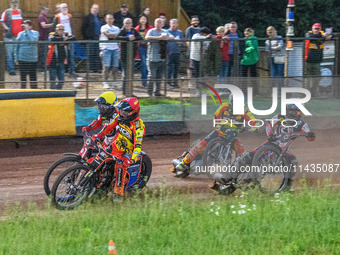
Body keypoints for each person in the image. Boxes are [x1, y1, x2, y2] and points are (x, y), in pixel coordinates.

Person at [174, 93, 257, 177]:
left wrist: (255, 126)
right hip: (218, 132)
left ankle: (241, 172)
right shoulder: (224, 106)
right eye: (234, 101)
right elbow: (215, 116)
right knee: (200, 145)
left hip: (232, 135)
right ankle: (184, 162)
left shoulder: (245, 111)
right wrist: (218, 125)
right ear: (230, 101)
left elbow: (253, 120)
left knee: (241, 151)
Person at [240, 104, 316, 187]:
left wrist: (311, 135)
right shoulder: (280, 116)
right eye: (292, 111)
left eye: (296, 112)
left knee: (293, 162)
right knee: (248, 157)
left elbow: (309, 137)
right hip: (271, 144)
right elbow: (269, 124)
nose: (294, 114)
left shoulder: (302, 124)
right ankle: (230, 176)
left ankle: (287, 186)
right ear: (287, 110)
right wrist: (270, 135)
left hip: (283, 150)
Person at [91, 97, 145, 199]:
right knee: (99, 158)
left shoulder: (138, 127)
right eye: (120, 111)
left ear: (133, 112)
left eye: (124, 112)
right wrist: (99, 135)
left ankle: (118, 194)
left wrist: (132, 159)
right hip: (116, 145)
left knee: (120, 166)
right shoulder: (119, 117)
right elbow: (110, 127)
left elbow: (138, 146)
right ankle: (96, 184)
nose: (121, 113)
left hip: (128, 151)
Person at [145, 18, 174, 97]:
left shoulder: (165, 31)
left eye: (160, 23)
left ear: (163, 24)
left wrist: (166, 38)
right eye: (157, 22)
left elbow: (172, 37)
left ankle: (157, 92)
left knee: (159, 77)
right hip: (152, 58)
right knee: (151, 76)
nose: (158, 24)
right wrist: (159, 38)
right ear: (154, 24)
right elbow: (147, 38)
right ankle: (149, 93)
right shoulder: (151, 31)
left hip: (162, 58)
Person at [304, 23, 331, 97]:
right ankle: (306, 94)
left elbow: (331, 36)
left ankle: (313, 92)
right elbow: (313, 37)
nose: (316, 30)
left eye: (318, 29)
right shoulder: (308, 34)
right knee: (307, 79)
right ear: (312, 29)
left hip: (317, 61)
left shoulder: (322, 35)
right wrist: (323, 36)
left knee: (317, 78)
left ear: (320, 29)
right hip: (308, 60)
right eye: (315, 29)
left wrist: (329, 36)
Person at [117, 18, 141, 95]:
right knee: (126, 74)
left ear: (131, 24)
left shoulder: (134, 30)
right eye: (126, 23)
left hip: (132, 55)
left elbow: (140, 37)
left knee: (131, 73)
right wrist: (127, 38)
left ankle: (130, 91)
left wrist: (134, 38)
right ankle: (125, 91)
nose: (128, 25)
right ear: (124, 24)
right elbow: (117, 37)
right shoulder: (122, 30)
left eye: (129, 23)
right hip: (124, 55)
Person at [46, 24, 75, 89]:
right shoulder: (52, 34)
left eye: (62, 29)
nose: (61, 31)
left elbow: (73, 38)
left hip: (61, 61)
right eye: (60, 29)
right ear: (56, 29)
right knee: (52, 80)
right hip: (52, 61)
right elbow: (52, 39)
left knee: (62, 80)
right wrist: (63, 39)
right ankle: (52, 93)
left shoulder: (66, 34)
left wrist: (65, 39)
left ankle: (58, 91)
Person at [52, 3, 76, 77]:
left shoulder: (69, 16)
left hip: (69, 37)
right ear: (60, 9)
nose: (65, 8)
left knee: (71, 55)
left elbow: (72, 26)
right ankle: (60, 71)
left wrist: (70, 36)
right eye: (63, 7)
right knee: (60, 55)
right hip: (60, 39)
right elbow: (53, 27)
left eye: (66, 7)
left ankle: (71, 71)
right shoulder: (57, 17)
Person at [0, 0, 23, 75]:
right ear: (11, 4)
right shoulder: (6, 12)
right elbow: (2, 21)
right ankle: (11, 70)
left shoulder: (20, 11)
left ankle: (19, 69)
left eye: (16, 3)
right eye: (13, 3)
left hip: (19, 36)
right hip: (9, 36)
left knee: (18, 53)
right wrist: (7, 28)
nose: (15, 4)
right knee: (10, 53)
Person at [16, 20, 39, 89]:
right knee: (23, 77)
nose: (24, 26)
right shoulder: (20, 34)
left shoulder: (35, 33)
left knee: (33, 77)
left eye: (27, 25)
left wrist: (27, 31)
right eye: (24, 24)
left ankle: (34, 92)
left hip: (32, 59)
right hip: (22, 59)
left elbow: (33, 41)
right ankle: (22, 92)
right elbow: (17, 46)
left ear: (30, 26)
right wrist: (16, 57)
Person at [100, 14, 120, 89]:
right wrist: (115, 35)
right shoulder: (103, 27)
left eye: (111, 18)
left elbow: (118, 38)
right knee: (106, 66)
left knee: (115, 66)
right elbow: (107, 35)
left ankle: (115, 81)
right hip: (106, 49)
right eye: (108, 19)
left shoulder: (117, 28)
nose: (110, 20)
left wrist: (114, 35)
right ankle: (105, 81)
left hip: (115, 49)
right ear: (106, 20)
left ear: (113, 19)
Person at [82, 4, 102, 73]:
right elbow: (83, 28)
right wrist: (87, 37)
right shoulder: (87, 17)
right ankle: (90, 69)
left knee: (97, 54)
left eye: (96, 9)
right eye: (94, 8)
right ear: (91, 9)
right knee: (90, 54)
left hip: (98, 39)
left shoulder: (99, 17)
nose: (95, 10)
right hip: (90, 39)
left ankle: (95, 69)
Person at [135, 14, 153, 87]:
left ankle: (150, 81)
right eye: (141, 19)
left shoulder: (150, 28)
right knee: (144, 64)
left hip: (149, 47)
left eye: (144, 19)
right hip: (141, 48)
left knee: (150, 64)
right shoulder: (137, 29)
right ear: (139, 20)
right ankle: (144, 81)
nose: (143, 20)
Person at [167, 18, 183, 88]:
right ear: (170, 24)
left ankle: (175, 82)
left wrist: (179, 42)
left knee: (176, 67)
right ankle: (168, 82)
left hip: (177, 51)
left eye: (175, 23)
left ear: (177, 24)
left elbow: (181, 42)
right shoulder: (167, 31)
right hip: (169, 52)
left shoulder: (180, 32)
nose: (173, 25)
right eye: (172, 23)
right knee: (169, 67)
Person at [185, 15, 200, 84]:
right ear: (191, 22)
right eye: (194, 20)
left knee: (198, 69)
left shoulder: (200, 29)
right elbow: (188, 41)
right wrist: (191, 50)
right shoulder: (189, 29)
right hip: (191, 52)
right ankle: (189, 84)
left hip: (199, 52)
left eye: (197, 20)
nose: (195, 22)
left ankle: (198, 84)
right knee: (190, 68)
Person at [38, 5, 52, 72]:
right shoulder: (41, 17)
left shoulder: (44, 17)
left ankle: (45, 67)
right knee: (44, 53)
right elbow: (43, 25)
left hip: (46, 37)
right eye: (46, 10)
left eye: (47, 10)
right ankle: (43, 68)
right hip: (43, 38)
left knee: (46, 53)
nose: (47, 12)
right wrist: (52, 24)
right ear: (42, 10)